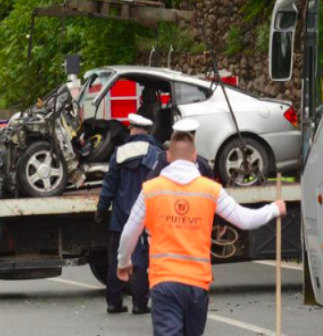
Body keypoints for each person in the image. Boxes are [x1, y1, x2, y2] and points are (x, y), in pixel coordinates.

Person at [117, 132, 286, 336]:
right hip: (197, 284)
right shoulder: (209, 189)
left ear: (168, 157)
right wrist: (274, 209)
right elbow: (245, 219)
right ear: (195, 156)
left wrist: (123, 261)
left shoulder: (151, 190)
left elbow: (129, 232)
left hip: (164, 281)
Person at [95, 113, 162, 315]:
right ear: (147, 131)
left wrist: (101, 208)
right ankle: (140, 303)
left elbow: (109, 184)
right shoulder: (156, 154)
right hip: (144, 213)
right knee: (141, 259)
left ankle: (113, 302)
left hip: (121, 214)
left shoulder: (120, 153)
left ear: (132, 129)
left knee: (117, 257)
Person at [147, 119, 213, 180]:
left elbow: (150, 182)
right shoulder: (203, 163)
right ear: (194, 137)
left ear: (175, 136)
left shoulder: (163, 159)